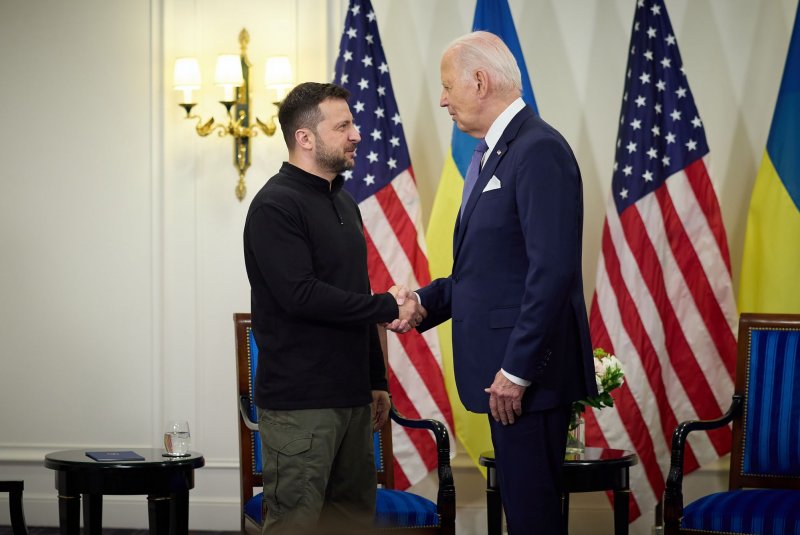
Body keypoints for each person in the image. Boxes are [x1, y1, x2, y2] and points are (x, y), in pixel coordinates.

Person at [411, 32, 598, 534]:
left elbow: (552, 270)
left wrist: (516, 371)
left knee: (533, 518)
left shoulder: (538, 149)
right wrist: (420, 304)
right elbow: (486, 273)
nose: (443, 99)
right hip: (509, 378)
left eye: (448, 86)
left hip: (526, 381)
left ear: (479, 81)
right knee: (524, 513)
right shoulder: (495, 154)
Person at [243, 81, 424, 534]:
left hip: (353, 399)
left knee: (351, 524)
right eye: (343, 125)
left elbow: (355, 295)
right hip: (301, 405)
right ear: (305, 138)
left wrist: (375, 380)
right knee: (296, 525)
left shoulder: (344, 202)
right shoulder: (274, 205)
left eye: (353, 124)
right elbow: (300, 295)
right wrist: (386, 304)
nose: (356, 134)